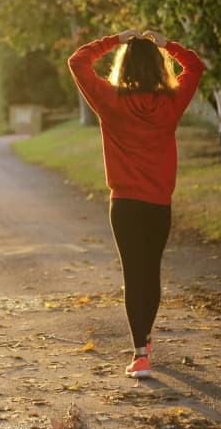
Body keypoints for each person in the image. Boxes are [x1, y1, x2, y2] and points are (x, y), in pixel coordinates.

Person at [68, 28, 205, 378]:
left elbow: (78, 61)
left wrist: (115, 39)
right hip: (158, 204)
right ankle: (144, 338)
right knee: (151, 271)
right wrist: (167, 45)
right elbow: (195, 66)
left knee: (134, 274)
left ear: (124, 66)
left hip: (125, 205)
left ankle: (140, 353)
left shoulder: (109, 101)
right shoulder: (171, 104)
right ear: (158, 67)